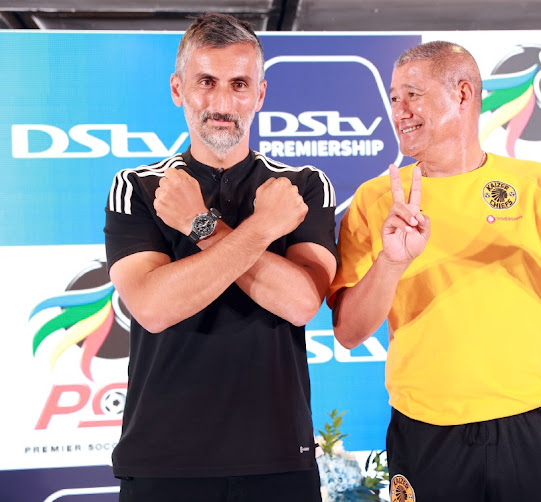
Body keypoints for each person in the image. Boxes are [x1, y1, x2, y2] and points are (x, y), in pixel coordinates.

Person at [328, 41, 541, 501]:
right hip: (426, 432)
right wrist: (392, 261)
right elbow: (348, 332)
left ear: (463, 94)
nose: (398, 110)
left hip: (536, 427)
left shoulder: (539, 185)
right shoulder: (375, 199)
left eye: (412, 94)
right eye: (393, 97)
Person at [104, 13, 337, 502]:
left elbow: (300, 303)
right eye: (206, 82)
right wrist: (262, 229)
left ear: (260, 95)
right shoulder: (140, 188)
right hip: (163, 460)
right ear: (178, 89)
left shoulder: (303, 187)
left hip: (277, 457)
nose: (222, 102)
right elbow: (153, 307)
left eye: (239, 84)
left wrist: (198, 226)